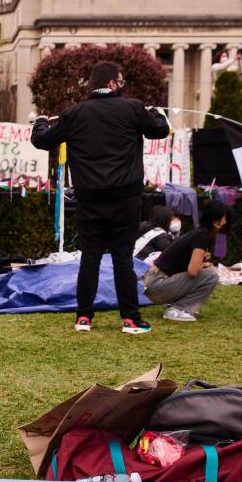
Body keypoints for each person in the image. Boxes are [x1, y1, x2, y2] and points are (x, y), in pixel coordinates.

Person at [31, 60, 170, 334]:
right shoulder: (132, 108)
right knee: (122, 258)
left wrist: (40, 122)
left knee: (90, 257)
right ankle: (130, 319)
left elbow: (42, 140)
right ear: (111, 83)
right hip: (125, 198)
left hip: (88, 199)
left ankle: (83, 317)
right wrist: (156, 113)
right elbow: (160, 129)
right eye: (120, 82)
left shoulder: (73, 114)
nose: (122, 86)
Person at [143, 201, 230, 322]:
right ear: (216, 220)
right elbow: (193, 272)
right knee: (211, 275)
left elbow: (184, 265)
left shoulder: (199, 233)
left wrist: (201, 264)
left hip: (154, 283)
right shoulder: (202, 236)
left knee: (207, 271)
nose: (225, 222)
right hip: (157, 285)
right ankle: (178, 309)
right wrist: (201, 265)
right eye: (225, 218)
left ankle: (175, 306)